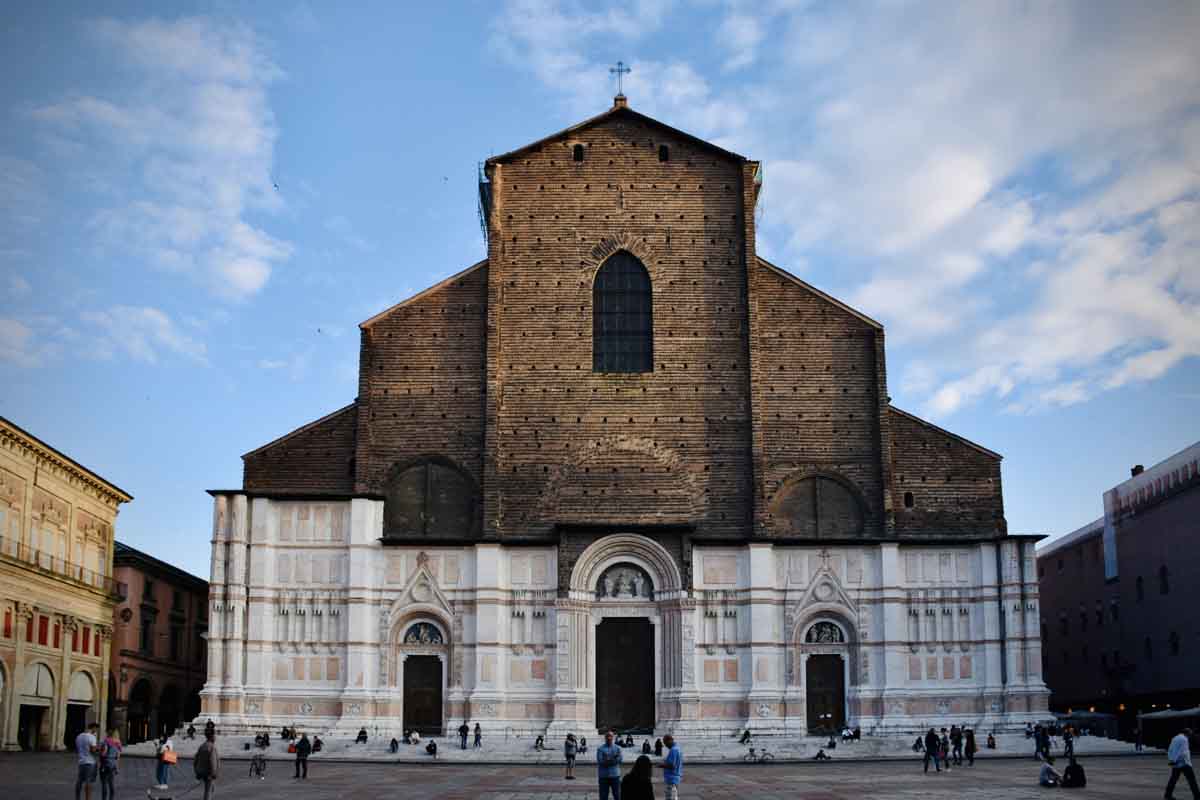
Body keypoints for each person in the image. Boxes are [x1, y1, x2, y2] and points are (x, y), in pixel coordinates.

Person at [1164, 728, 1199, 800]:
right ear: (1187, 734)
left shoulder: (1175, 738)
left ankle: (1167, 795)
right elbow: (1183, 752)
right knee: (1192, 781)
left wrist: (1172, 760)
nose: (1190, 736)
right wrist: (1187, 762)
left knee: (1173, 780)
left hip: (1175, 763)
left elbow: (1170, 749)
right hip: (1184, 763)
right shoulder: (1184, 739)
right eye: (1190, 734)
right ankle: (1197, 796)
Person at [75, 721, 100, 800]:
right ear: (93, 728)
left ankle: (77, 797)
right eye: (96, 730)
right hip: (90, 762)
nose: (96, 731)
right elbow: (93, 750)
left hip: (81, 761)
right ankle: (88, 798)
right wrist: (99, 748)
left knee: (79, 781)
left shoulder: (79, 736)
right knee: (88, 782)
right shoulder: (92, 737)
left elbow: (79, 748)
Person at [597, 730, 624, 800]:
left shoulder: (618, 748)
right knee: (603, 796)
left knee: (617, 795)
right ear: (605, 738)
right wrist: (613, 758)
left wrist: (607, 759)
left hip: (615, 775)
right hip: (603, 776)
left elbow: (620, 760)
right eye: (607, 736)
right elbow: (601, 761)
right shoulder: (600, 749)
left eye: (611, 736)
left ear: (613, 737)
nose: (609, 738)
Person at [194, 730, 221, 800]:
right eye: (214, 736)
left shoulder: (202, 746)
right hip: (209, 773)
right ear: (212, 737)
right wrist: (214, 774)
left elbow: (196, 760)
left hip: (201, 771)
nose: (215, 738)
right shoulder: (212, 747)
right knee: (208, 791)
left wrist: (197, 771)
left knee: (210, 789)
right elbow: (213, 762)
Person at [98, 726, 122, 800]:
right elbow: (118, 756)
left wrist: (100, 752)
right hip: (113, 765)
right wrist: (117, 767)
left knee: (104, 784)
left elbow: (103, 753)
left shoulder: (106, 741)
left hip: (105, 764)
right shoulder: (118, 743)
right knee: (111, 784)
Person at [658, 734, 682, 800]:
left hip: (672, 778)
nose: (665, 745)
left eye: (665, 743)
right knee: (674, 796)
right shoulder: (678, 748)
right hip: (675, 778)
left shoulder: (673, 750)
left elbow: (672, 765)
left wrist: (661, 765)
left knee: (670, 797)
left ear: (669, 741)